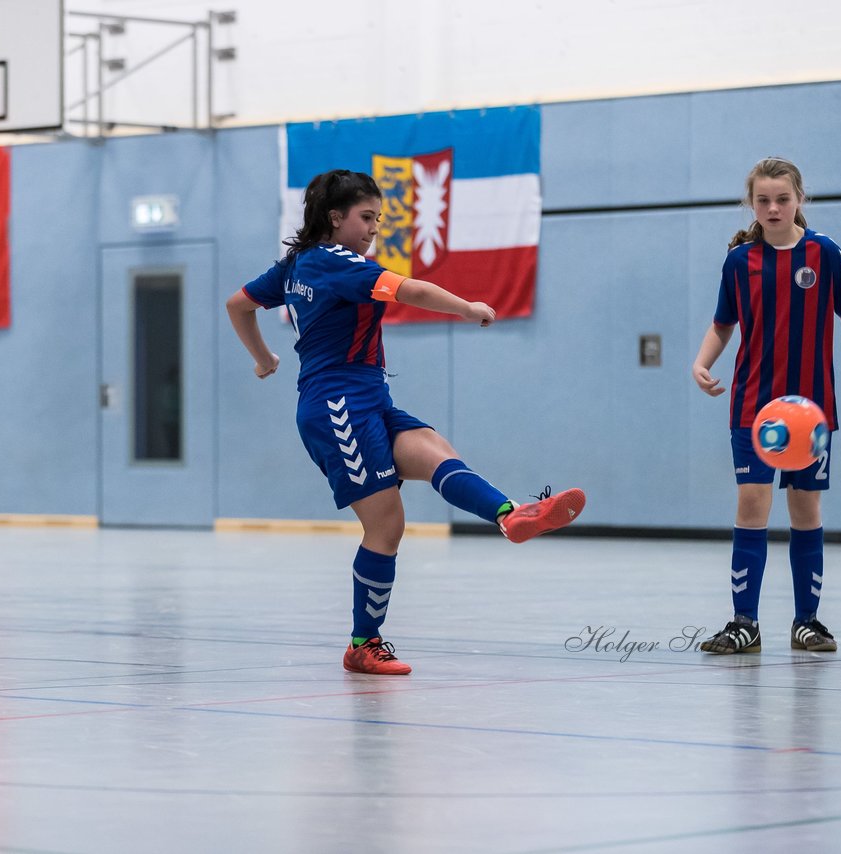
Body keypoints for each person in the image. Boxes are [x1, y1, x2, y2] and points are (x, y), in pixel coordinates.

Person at [225, 169, 586, 675]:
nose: (374, 228)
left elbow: (238, 304)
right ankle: (362, 644)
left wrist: (264, 358)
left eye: (378, 218)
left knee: (435, 450)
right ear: (336, 218)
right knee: (387, 524)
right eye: (366, 217)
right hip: (337, 408)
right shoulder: (337, 263)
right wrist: (466, 308)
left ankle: (511, 516)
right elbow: (410, 291)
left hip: (370, 397)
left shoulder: (295, 265)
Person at [691, 156, 841, 655]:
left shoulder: (825, 253)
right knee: (752, 504)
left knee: (805, 508)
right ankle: (744, 622)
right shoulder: (739, 262)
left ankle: (807, 622)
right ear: (751, 204)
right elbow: (723, 323)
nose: (773, 208)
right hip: (755, 407)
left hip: (812, 412)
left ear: (799, 199)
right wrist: (702, 362)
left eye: (782, 199)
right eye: (763, 200)